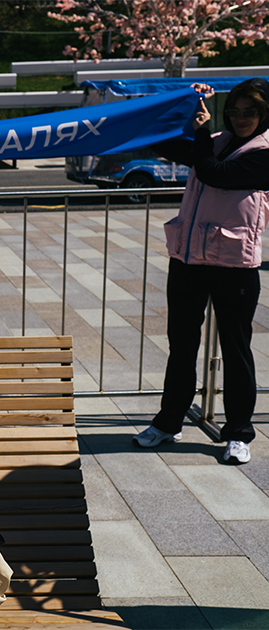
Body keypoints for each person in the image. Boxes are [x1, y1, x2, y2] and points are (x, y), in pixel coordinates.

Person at [133, 79, 269, 466]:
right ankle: (168, 421)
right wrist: (142, 122)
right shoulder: (220, 139)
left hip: (234, 267)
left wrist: (202, 134)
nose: (242, 119)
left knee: (236, 350)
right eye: (236, 111)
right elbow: (173, 148)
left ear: (264, 114)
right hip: (188, 261)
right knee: (181, 347)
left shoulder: (264, 152)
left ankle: (239, 432)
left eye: (251, 112)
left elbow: (213, 172)